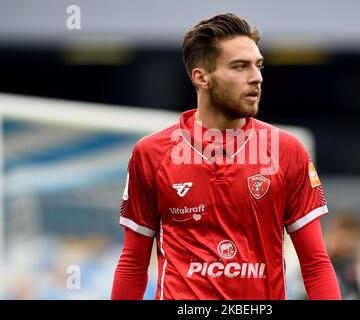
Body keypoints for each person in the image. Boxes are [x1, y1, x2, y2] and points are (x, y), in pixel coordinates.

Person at [111, 13, 341, 300]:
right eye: (240, 67)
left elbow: (315, 264)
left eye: (258, 66)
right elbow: (133, 263)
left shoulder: (287, 151)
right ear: (201, 77)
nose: (256, 77)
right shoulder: (151, 154)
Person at [325, 210, 360, 300]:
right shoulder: (317, 264)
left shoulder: (352, 263)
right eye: (348, 237)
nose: (351, 243)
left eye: (354, 238)